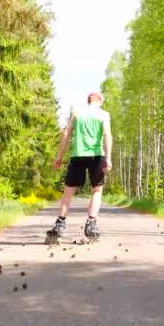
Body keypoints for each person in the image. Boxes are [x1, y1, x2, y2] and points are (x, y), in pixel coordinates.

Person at [46, 92, 112, 242]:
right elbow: (108, 135)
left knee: (68, 191)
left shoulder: (77, 113)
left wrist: (59, 156)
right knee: (96, 190)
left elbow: (66, 134)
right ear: (100, 101)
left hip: (77, 156)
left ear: (88, 101)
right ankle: (91, 224)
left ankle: (60, 223)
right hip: (96, 156)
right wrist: (108, 158)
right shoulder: (104, 114)